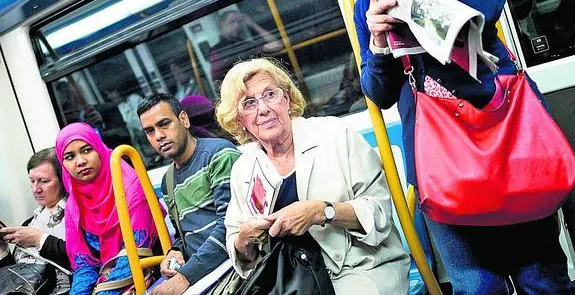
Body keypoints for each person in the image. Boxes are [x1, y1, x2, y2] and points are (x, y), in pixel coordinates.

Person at [355, 0, 575, 293]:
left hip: (511, 148)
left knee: (540, 279)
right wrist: (378, 43)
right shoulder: (369, 4)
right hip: (440, 166)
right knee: (476, 287)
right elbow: (378, 92)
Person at [215, 58, 410, 294]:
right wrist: (244, 239)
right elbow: (239, 248)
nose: (263, 109)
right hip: (291, 280)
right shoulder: (244, 169)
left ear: (286, 99)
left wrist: (320, 211)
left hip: (359, 266)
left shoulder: (334, 133)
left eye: (270, 95)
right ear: (239, 120)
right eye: (249, 103)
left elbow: (378, 212)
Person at [137, 94, 241, 294]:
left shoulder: (219, 155)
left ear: (184, 119)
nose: (158, 136)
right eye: (150, 131)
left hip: (231, 264)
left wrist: (186, 277)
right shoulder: (168, 181)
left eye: (164, 124)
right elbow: (184, 236)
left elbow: (231, 227)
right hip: (199, 271)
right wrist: (174, 252)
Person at [55, 122, 159, 294]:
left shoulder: (129, 186)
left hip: (148, 271)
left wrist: (105, 292)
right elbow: (85, 265)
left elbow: (137, 250)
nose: (80, 161)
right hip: (109, 278)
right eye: (70, 157)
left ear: (99, 149)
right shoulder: (74, 206)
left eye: (87, 150)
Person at [0, 148, 70, 294]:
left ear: (63, 179)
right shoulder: (29, 223)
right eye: (32, 181)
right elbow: (19, 279)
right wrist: (3, 251)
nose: (35, 189)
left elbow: (87, 259)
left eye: (43, 181)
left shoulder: (75, 215)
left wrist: (40, 240)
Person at [209, 10, 283, 88]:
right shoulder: (217, 50)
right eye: (231, 22)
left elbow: (277, 45)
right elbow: (216, 83)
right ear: (221, 25)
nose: (236, 25)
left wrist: (252, 24)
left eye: (238, 22)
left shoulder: (245, 44)